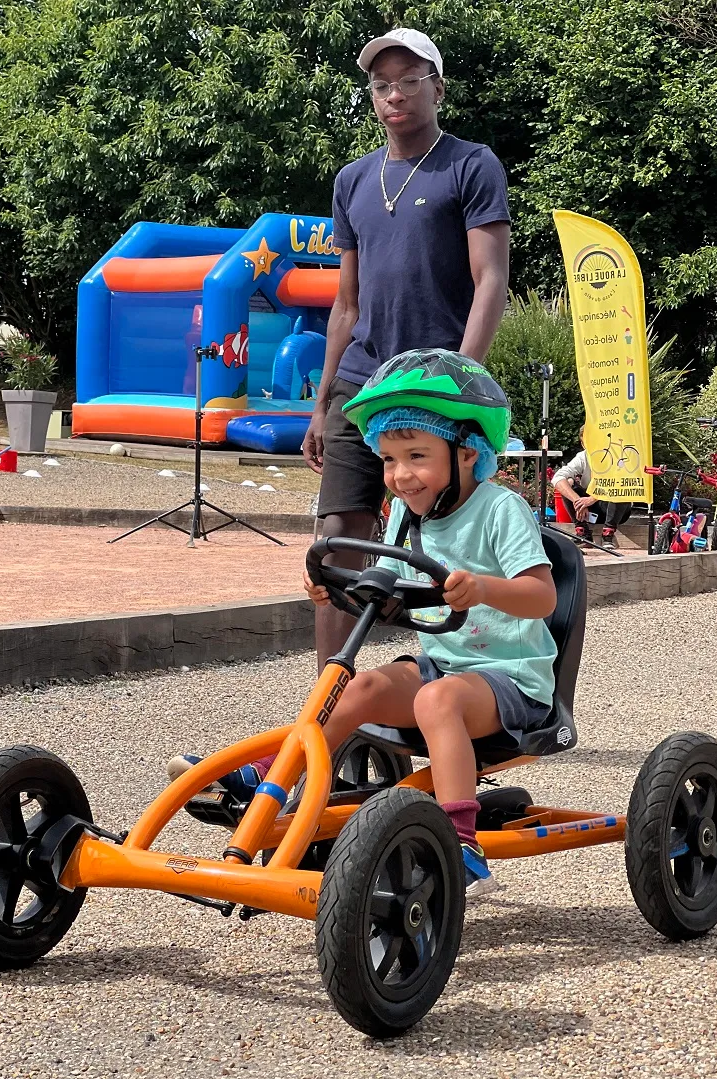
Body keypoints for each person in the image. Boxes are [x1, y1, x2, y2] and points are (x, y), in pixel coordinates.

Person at [167, 26, 510, 796]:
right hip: (362, 380)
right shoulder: (354, 180)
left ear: (436, 86)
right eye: (381, 84)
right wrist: (321, 403)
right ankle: (327, 714)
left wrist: (459, 377)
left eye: (408, 79)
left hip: (431, 384)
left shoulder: (470, 165)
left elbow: (491, 282)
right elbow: (346, 302)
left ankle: (463, 705)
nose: (394, 93)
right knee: (333, 549)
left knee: (452, 547)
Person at [305, 349, 557, 893]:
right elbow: (392, 583)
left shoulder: (499, 510)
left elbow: (542, 597)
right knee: (359, 684)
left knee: (434, 701)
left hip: (510, 681)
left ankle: (460, 844)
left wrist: (484, 587)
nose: (400, 476)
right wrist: (336, 588)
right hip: (441, 664)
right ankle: (288, 783)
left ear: (467, 452)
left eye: (417, 456)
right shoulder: (404, 514)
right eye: (390, 459)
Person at [552, 425, 632, 550]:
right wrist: (577, 501)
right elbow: (558, 477)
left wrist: (592, 499)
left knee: (621, 488)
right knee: (568, 482)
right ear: (583, 444)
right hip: (590, 510)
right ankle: (583, 532)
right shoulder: (582, 457)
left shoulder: (615, 454)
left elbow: (621, 480)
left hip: (616, 508)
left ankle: (608, 535)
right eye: (587, 441)